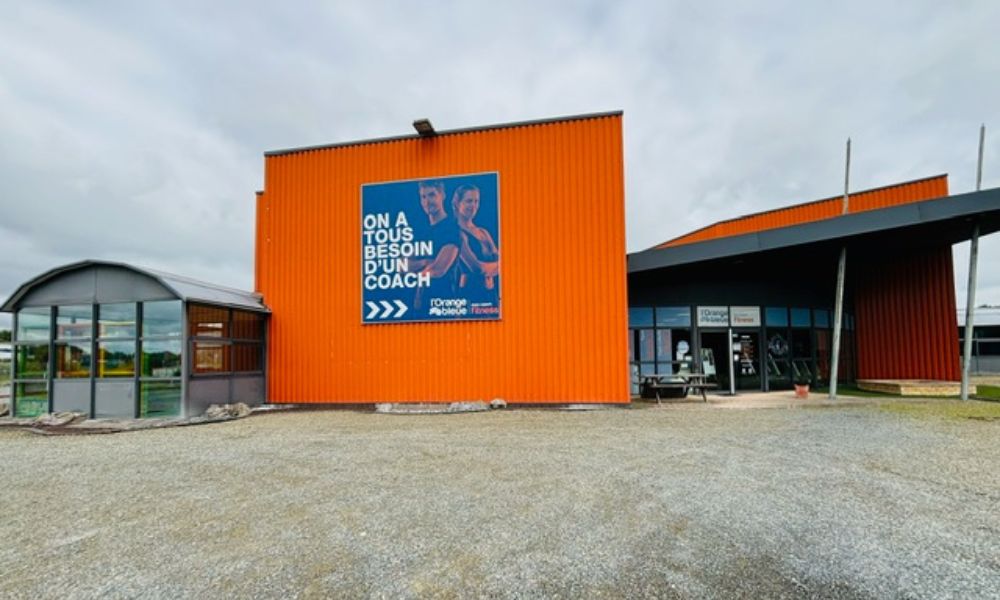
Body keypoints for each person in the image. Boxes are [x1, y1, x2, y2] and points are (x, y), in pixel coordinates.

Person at [410, 180, 462, 313]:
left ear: (442, 195)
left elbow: (438, 270)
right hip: (419, 309)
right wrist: (426, 262)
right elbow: (402, 266)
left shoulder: (452, 229)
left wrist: (419, 268)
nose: (427, 201)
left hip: (444, 307)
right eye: (423, 197)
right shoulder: (421, 232)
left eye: (432, 195)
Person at [450, 184, 499, 305]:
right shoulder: (456, 233)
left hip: (491, 293)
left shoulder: (483, 232)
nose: (473, 206)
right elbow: (476, 268)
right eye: (469, 201)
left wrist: (490, 267)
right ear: (457, 203)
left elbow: (502, 264)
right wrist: (495, 266)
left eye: (476, 201)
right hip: (469, 294)